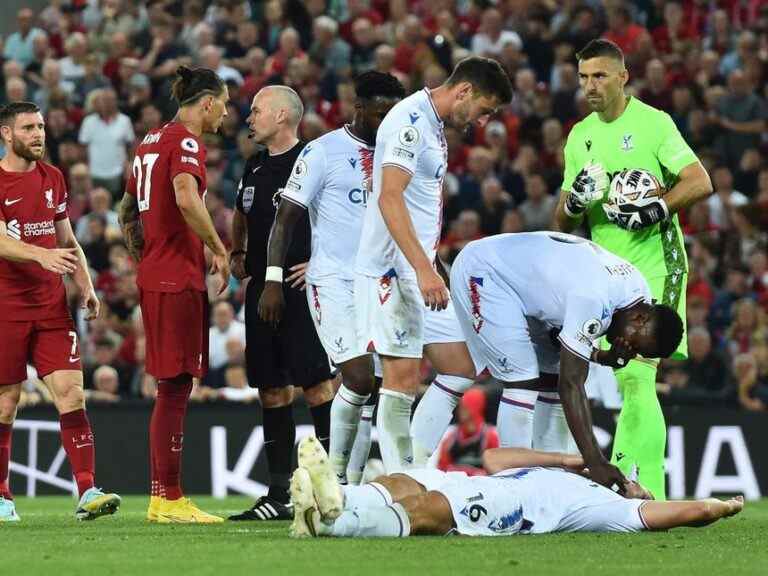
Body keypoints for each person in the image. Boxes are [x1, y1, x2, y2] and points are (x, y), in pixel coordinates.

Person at [552, 39, 713, 500]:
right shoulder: (580, 135)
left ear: (623, 76)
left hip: (658, 264)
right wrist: (576, 202)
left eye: (600, 76)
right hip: (608, 278)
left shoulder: (653, 124)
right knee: (629, 379)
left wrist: (658, 208)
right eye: (583, 77)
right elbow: (562, 219)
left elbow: (700, 181)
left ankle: (638, 492)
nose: (590, 86)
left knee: (638, 377)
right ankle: (639, 494)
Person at [354, 56, 512, 474]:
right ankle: (397, 482)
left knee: (460, 367)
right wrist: (424, 269)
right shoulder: (410, 121)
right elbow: (390, 196)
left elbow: (417, 206)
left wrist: (434, 265)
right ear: (464, 92)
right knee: (401, 378)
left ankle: (414, 465)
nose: (481, 120)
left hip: (419, 268)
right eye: (484, 109)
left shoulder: (433, 125)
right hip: (394, 270)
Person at [257, 71, 405, 485]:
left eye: (394, 114)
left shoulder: (399, 154)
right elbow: (285, 218)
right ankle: (337, 479)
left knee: (371, 387)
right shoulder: (323, 152)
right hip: (334, 283)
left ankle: (352, 487)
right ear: (359, 109)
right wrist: (272, 279)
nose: (387, 123)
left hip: (380, 285)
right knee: (356, 377)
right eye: (380, 114)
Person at [449, 232, 684, 492]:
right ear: (640, 319)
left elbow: (561, 337)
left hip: (525, 290)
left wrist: (602, 357)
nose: (629, 348)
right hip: (486, 271)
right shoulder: (595, 297)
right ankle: (510, 486)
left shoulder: (637, 292)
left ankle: (549, 484)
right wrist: (596, 461)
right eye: (636, 343)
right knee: (523, 379)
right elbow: (572, 384)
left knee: (551, 373)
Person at [118, 66, 230, 524]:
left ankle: (163, 496)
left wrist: (142, 254)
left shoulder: (149, 140)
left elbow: (128, 209)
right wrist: (217, 248)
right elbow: (186, 198)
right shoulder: (186, 141)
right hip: (176, 278)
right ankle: (168, 498)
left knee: (173, 384)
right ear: (206, 103)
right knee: (176, 385)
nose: (226, 113)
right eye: (222, 103)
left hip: (156, 274)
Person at [0, 101, 120, 522]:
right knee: (6, 402)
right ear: (6, 135)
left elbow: (67, 242)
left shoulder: (53, 177)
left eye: (41, 127)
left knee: (72, 394)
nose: (38, 135)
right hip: (5, 307)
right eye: (28, 128)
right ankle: (1, 497)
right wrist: (39, 256)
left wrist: (85, 286)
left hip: (51, 307)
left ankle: (87, 491)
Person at [228, 85, 335, 521]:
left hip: (299, 287)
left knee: (316, 384)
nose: (249, 117)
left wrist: (319, 263)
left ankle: (335, 484)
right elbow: (241, 211)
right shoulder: (253, 165)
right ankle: (278, 493)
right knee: (270, 388)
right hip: (260, 289)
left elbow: (343, 218)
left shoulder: (315, 159)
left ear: (282, 117)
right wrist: (236, 252)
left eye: (256, 111)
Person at [289, 436, 743, 538]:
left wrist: (719, 508)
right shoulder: (575, 475)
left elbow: (685, 513)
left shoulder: (610, 509)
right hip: (489, 479)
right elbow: (494, 459)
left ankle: (335, 525)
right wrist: (571, 459)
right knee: (405, 478)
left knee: (433, 505)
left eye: (640, 486)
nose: (634, 484)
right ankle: (337, 502)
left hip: (512, 505)